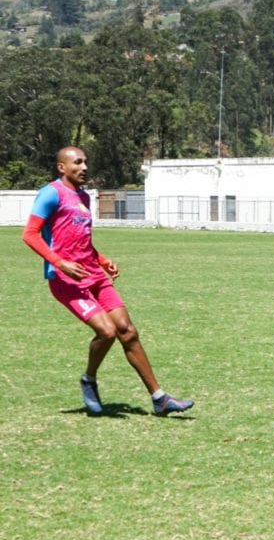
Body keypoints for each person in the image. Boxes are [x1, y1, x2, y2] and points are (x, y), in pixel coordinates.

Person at [22, 146, 194, 416]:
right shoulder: (50, 194)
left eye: (86, 162)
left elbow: (82, 240)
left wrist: (101, 260)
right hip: (66, 280)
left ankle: (160, 399)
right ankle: (89, 380)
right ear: (62, 167)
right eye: (77, 162)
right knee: (107, 331)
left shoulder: (83, 197)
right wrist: (60, 263)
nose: (84, 167)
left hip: (93, 274)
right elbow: (30, 235)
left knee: (127, 330)